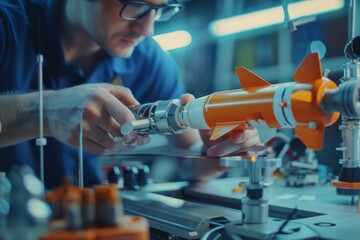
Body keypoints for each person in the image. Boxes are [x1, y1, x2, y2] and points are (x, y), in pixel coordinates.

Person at [0, 0, 260, 189]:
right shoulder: (7, 24)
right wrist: (44, 111)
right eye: (135, 4)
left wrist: (217, 154)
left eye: (161, 9)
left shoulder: (149, 59)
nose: (147, 30)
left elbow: (189, 156)